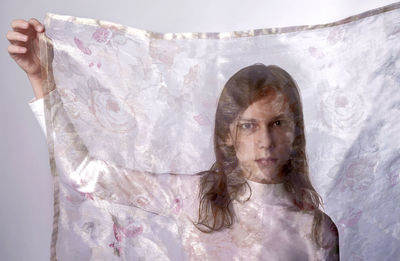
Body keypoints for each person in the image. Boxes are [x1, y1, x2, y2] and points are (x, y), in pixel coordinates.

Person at [8, 18, 340, 260]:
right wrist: (42, 79)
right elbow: (88, 177)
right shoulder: (195, 197)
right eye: (248, 126)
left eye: (278, 123)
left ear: (296, 131)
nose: (265, 140)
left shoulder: (316, 231)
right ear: (228, 135)